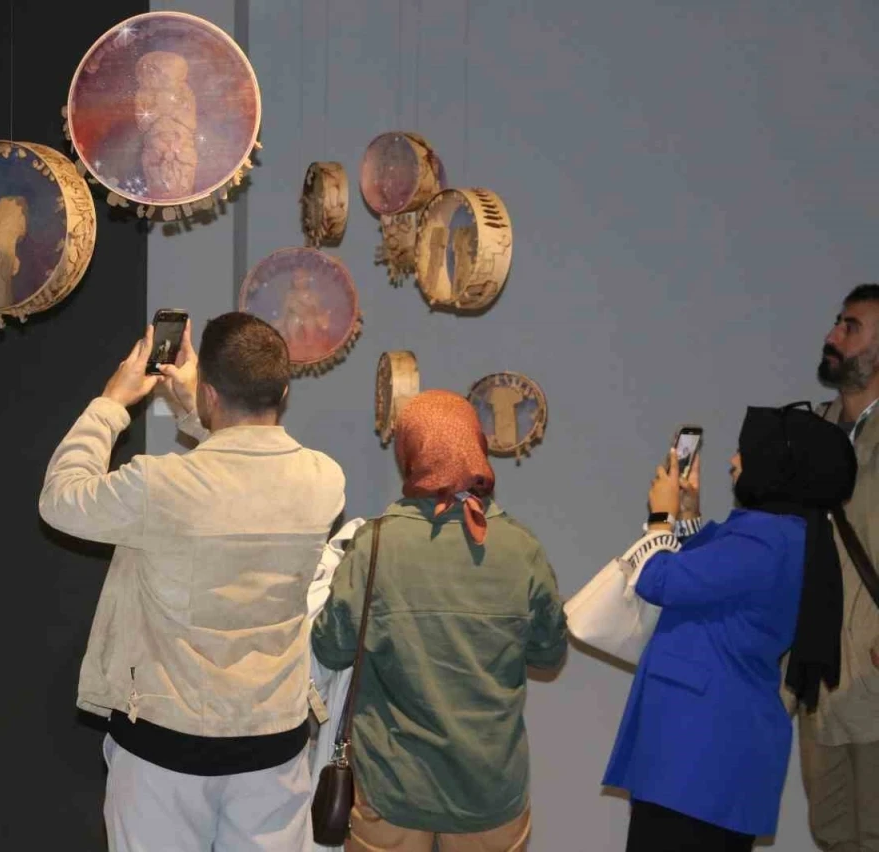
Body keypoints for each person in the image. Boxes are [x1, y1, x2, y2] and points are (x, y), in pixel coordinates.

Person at [38, 314, 345, 852]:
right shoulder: (325, 480)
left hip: (165, 749)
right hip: (272, 747)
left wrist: (111, 403)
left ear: (210, 392)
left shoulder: (158, 486)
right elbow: (245, 472)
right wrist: (203, 409)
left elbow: (60, 499)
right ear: (283, 391)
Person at [311, 389, 567, 852]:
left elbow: (330, 646)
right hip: (490, 792)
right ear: (477, 448)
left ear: (410, 455)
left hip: (392, 787)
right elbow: (550, 653)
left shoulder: (375, 545)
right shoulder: (521, 548)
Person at [603, 403, 857, 851]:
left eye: (745, 450)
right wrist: (689, 517)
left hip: (696, 755)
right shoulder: (785, 534)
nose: (733, 460)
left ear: (776, 464)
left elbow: (660, 580)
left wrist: (661, 518)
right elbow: (716, 577)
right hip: (717, 756)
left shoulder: (765, 539)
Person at [799, 283, 879, 851]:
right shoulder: (806, 438)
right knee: (831, 834)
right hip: (819, 680)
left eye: (851, 327)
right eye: (837, 322)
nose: (833, 336)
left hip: (874, 671)